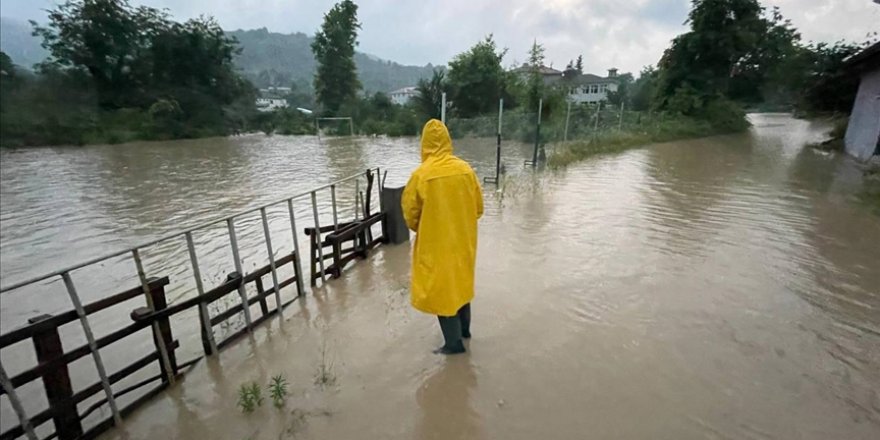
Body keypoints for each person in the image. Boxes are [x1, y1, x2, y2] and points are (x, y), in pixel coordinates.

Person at [402, 119, 484, 355]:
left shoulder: (421, 176)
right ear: (448, 140)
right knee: (461, 287)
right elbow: (478, 208)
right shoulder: (466, 170)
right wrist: (460, 222)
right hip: (463, 242)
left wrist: (431, 226)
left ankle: (453, 344)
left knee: (442, 291)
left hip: (436, 245)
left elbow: (411, 216)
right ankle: (465, 332)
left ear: (424, 144)